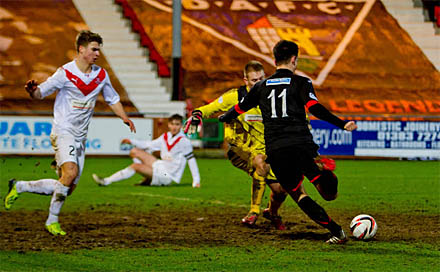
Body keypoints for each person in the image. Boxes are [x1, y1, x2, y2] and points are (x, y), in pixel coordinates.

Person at [219, 40, 357, 244]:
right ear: (294, 59)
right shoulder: (301, 83)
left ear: (275, 60)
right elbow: (314, 108)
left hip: (277, 151)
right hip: (302, 145)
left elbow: (240, 107)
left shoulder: (261, 86)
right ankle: (323, 175)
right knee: (328, 194)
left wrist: (224, 117)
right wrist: (342, 124)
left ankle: (337, 232)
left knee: (299, 194)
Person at [4, 30, 136, 236]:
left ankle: (20, 186)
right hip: (63, 131)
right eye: (94, 49)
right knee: (70, 173)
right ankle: (52, 221)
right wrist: (32, 91)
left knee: (67, 185)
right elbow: (40, 93)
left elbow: (112, 99)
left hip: (80, 137)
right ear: (81, 49)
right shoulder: (64, 73)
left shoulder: (101, 75)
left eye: (99, 50)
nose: (97, 54)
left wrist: (124, 117)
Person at [185, 60, 288, 230]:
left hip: (265, 150)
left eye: (262, 78)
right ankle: (253, 211)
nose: (260, 83)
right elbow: (208, 108)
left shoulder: (271, 97)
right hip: (239, 150)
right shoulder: (234, 96)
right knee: (260, 163)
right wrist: (197, 115)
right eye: (255, 80)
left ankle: (272, 213)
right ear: (245, 80)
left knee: (281, 190)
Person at [92, 114, 201, 188]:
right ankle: (147, 177)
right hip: (161, 166)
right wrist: (131, 141)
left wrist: (196, 180)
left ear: (181, 126)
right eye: (172, 124)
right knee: (134, 151)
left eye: (177, 124)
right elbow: (149, 144)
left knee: (135, 167)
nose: (174, 127)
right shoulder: (165, 136)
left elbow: (191, 160)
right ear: (168, 125)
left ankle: (106, 181)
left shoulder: (184, 141)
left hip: (168, 176)